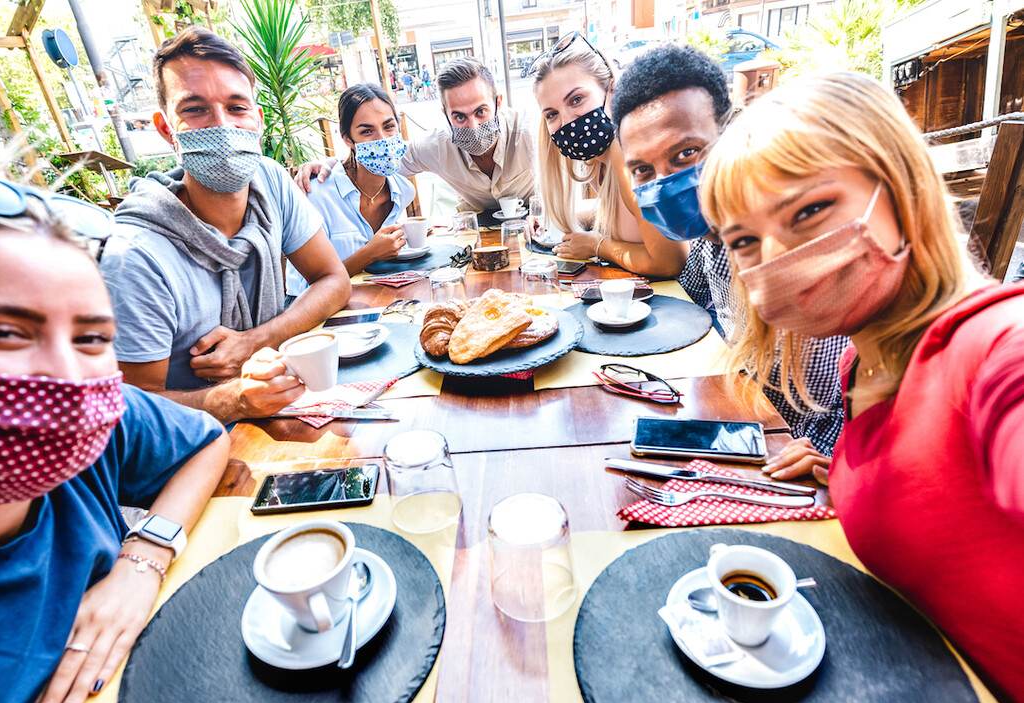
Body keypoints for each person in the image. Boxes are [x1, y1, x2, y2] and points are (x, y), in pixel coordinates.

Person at [699, 71, 1024, 703]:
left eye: (810, 210)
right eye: (743, 241)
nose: (773, 255)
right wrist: (848, 477)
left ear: (900, 189)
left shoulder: (992, 345)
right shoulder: (861, 360)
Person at [0, 161, 231, 703]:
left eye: (92, 337)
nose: (68, 377)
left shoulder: (87, 426)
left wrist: (143, 559)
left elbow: (205, 441)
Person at [100, 27, 350, 424]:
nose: (223, 127)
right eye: (195, 109)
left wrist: (254, 342)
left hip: (285, 412)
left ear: (258, 118)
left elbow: (334, 280)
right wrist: (231, 401)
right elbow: (131, 409)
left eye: (237, 107)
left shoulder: (269, 180)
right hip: (196, 450)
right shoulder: (135, 257)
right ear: (167, 129)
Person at [611, 44, 847, 459]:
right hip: (748, 419)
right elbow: (697, 303)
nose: (665, 183)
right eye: (643, 170)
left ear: (731, 130)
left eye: (685, 154)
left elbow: (841, 407)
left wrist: (835, 462)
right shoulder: (712, 231)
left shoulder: (788, 237)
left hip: (806, 449)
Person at [529, 34, 686, 277]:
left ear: (612, 90)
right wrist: (549, 218)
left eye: (577, 100)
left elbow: (670, 262)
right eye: (552, 115)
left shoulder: (629, 151)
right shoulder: (598, 161)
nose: (567, 122)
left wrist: (597, 246)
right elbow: (628, 211)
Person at [297, 57, 536, 213]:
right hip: (476, 233)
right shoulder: (435, 146)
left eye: (481, 112)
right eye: (460, 117)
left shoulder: (529, 133)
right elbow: (380, 158)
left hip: (540, 227)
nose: (473, 125)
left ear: (498, 103)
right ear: (445, 114)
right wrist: (331, 163)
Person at [287, 83, 413, 293]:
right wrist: (369, 253)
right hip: (316, 314)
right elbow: (305, 288)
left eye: (389, 126)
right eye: (367, 131)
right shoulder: (317, 195)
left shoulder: (403, 191)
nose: (382, 139)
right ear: (348, 140)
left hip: (375, 299)